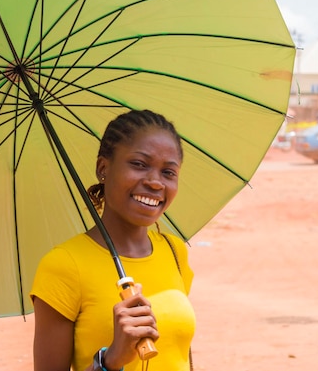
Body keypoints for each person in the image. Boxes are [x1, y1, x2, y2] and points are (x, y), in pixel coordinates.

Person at [30, 109, 195, 371]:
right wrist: (111, 359)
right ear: (103, 168)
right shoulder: (64, 265)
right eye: (139, 164)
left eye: (168, 172)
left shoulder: (174, 251)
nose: (155, 182)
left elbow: (181, 357)